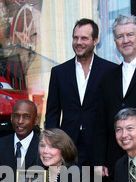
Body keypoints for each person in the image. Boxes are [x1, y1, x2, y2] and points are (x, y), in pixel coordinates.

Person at [45, 18, 116, 166]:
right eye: (75, 38)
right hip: (67, 147)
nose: (78, 42)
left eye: (84, 38)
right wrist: (52, 146)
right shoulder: (59, 72)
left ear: (95, 40)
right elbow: (52, 113)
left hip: (99, 149)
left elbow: (112, 112)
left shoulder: (110, 71)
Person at [94, 15, 136, 182]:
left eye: (130, 35)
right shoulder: (109, 76)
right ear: (115, 41)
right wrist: (100, 159)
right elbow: (101, 121)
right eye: (120, 36)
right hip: (115, 159)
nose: (125, 40)